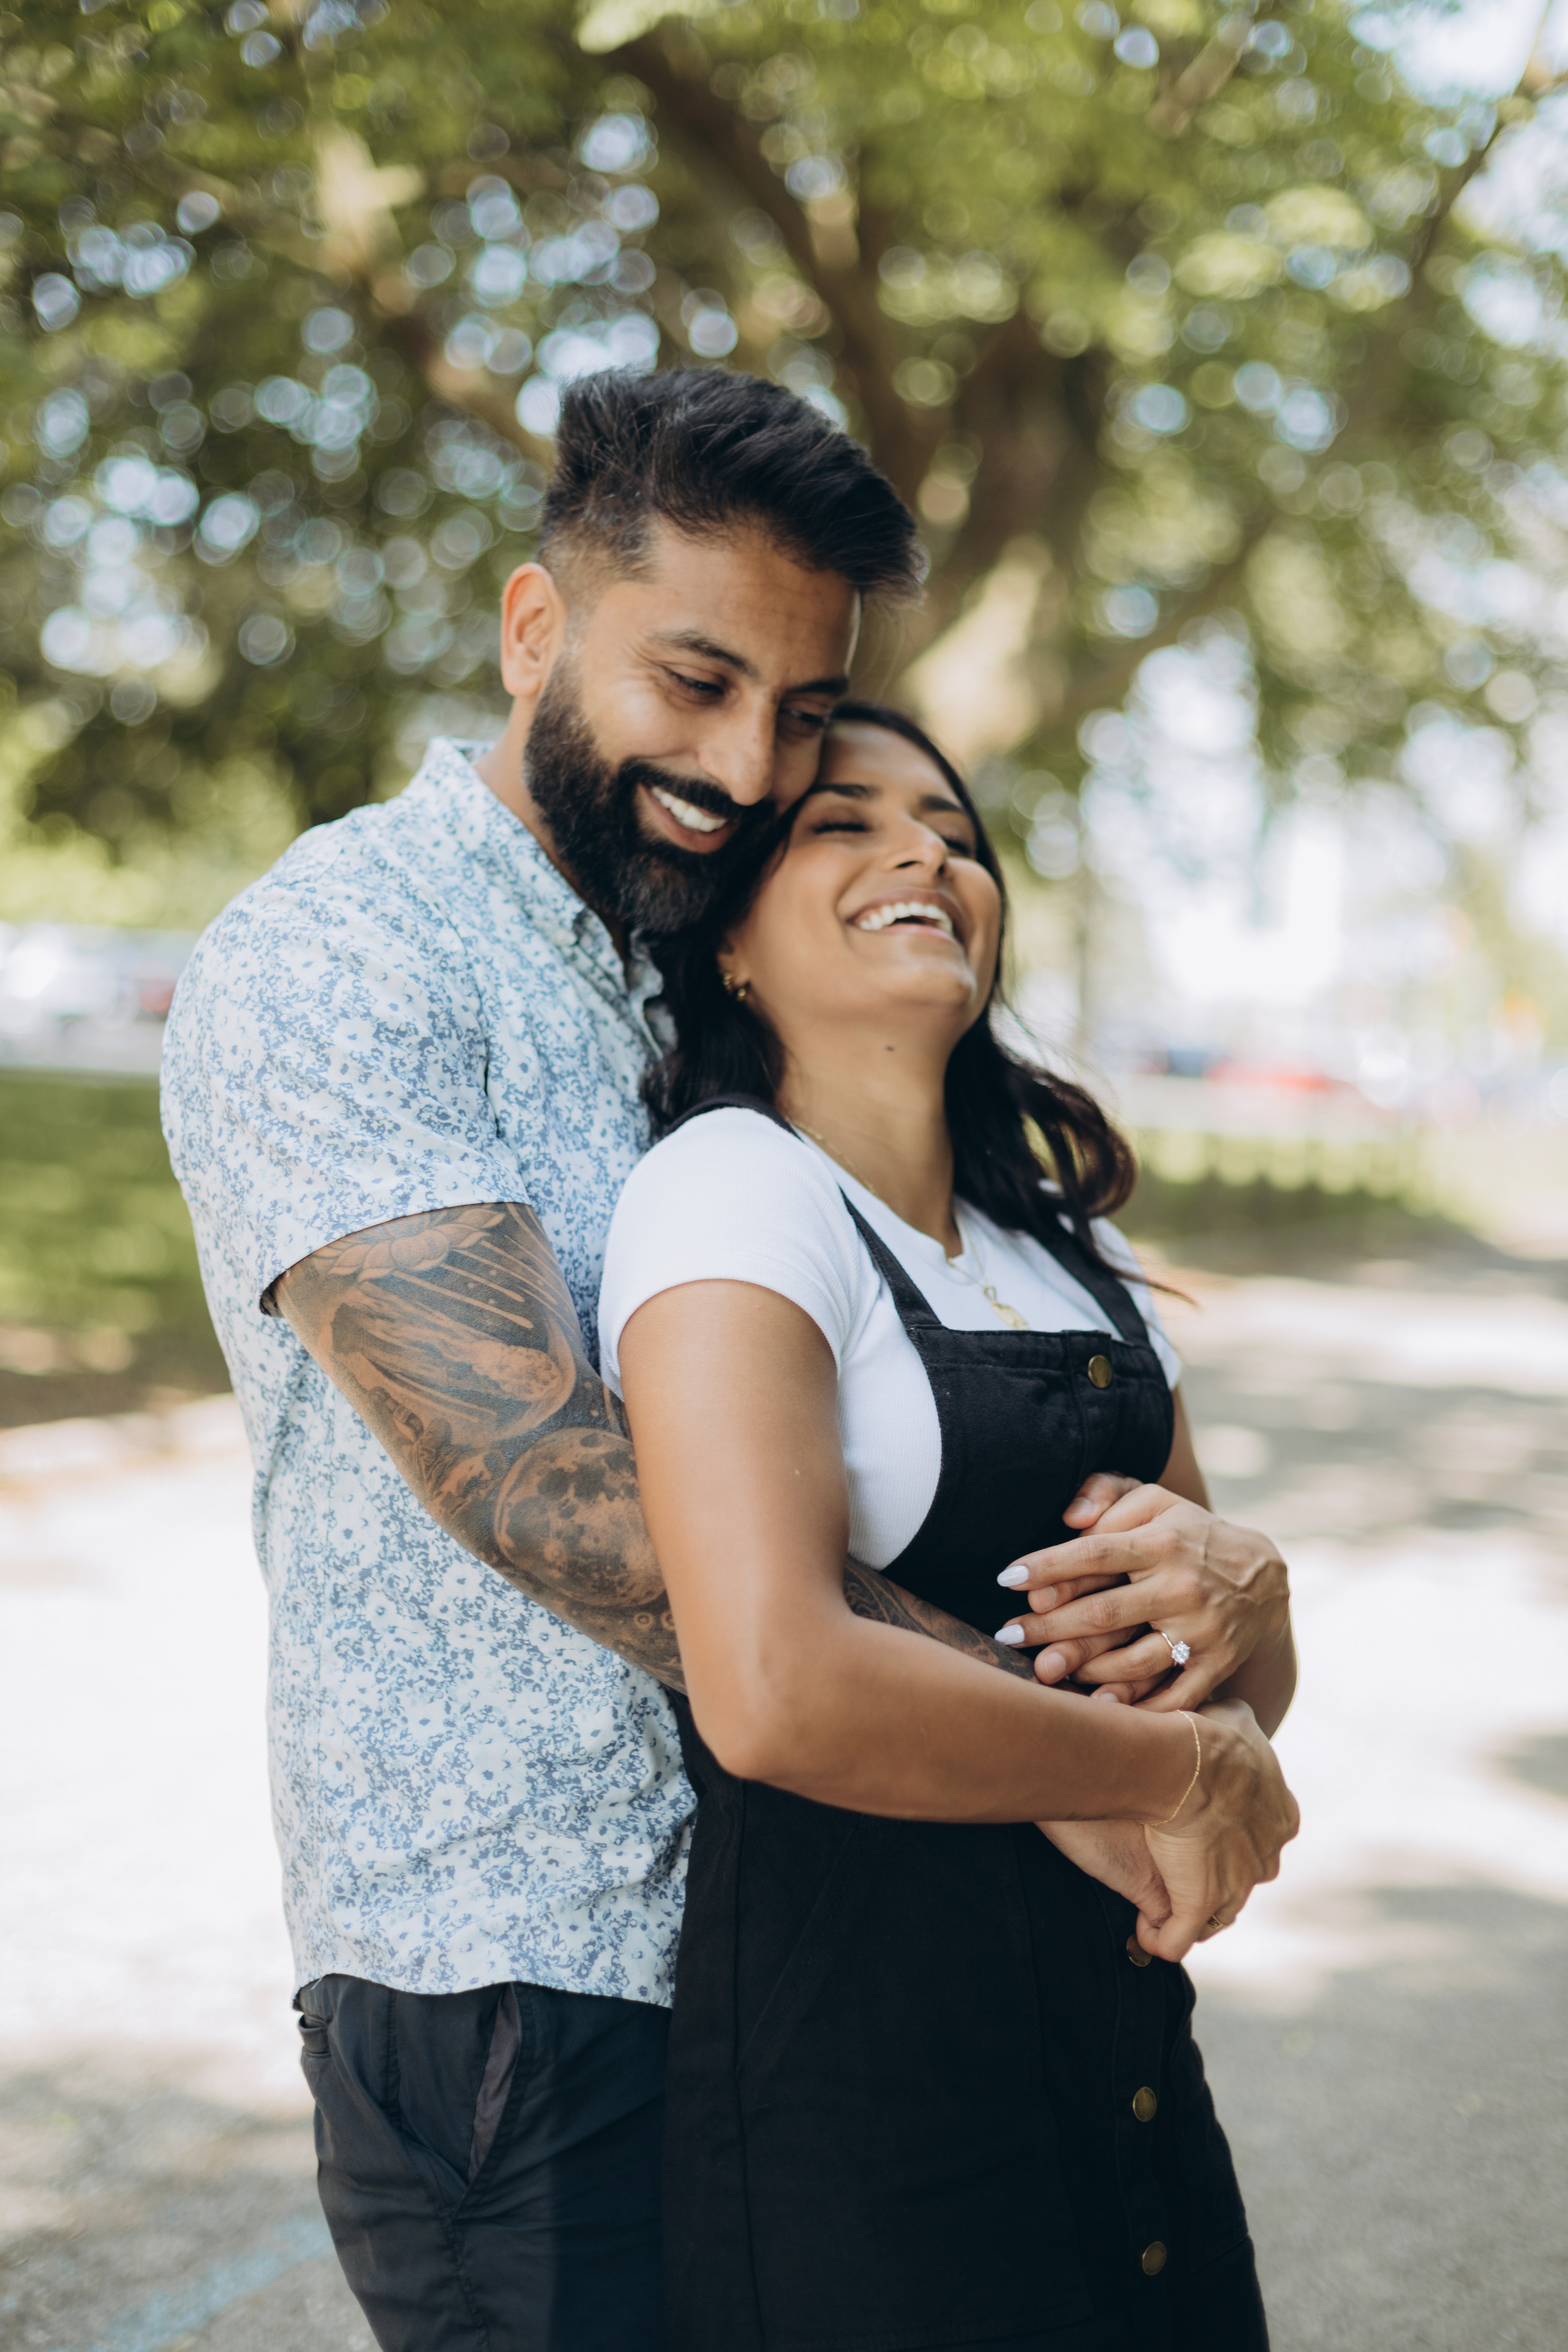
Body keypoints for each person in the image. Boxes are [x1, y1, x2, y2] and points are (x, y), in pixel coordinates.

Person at [162, 365, 1292, 2352]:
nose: (748, 761)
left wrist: (1224, 1580)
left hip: (798, 1963)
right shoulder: (344, 956)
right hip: (524, 1971)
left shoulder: (676, 947)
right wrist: (1096, 1765)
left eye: (796, 705)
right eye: (692, 682)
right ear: (538, 629)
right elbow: (560, 1494)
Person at [597, 701, 1299, 2352]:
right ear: (736, 943)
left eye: (955, 831)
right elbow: (772, 1685)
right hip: (864, 2126)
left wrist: (1253, 1590)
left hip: (1129, 2084)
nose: (927, 851)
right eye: (844, 821)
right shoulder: (735, 1193)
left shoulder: (1065, 1259)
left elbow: (1244, 1694)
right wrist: (1181, 1769)